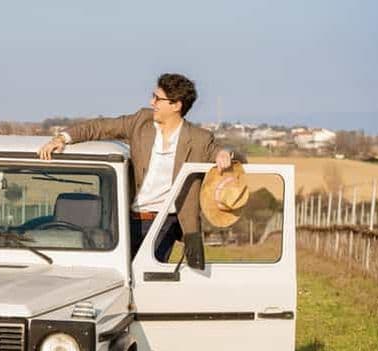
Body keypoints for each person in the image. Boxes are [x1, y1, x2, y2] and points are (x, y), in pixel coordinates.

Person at [38, 73, 234, 266]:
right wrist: (62, 138)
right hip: (127, 220)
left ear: (176, 105)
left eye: (158, 98)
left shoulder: (200, 139)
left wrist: (223, 154)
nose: (152, 102)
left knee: (145, 275)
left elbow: (230, 159)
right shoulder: (141, 122)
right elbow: (100, 127)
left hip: (165, 222)